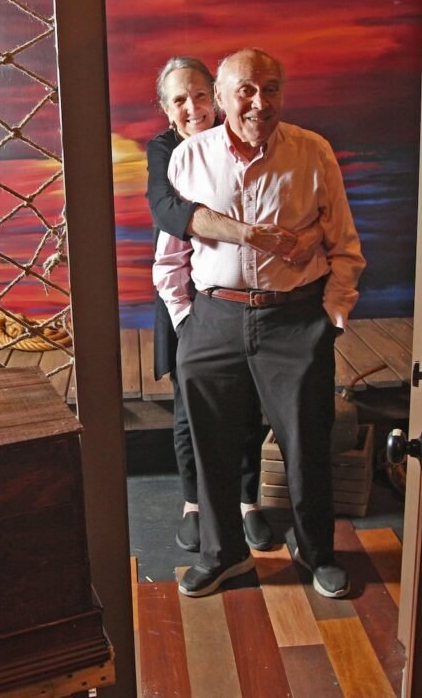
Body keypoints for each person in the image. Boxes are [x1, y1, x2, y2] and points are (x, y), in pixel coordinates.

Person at [154, 48, 366, 599]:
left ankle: (316, 552)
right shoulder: (190, 158)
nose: (259, 101)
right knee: (213, 447)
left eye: (270, 89)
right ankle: (225, 557)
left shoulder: (312, 152)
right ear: (221, 99)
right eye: (245, 90)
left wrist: (330, 318)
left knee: (306, 445)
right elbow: (170, 258)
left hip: (294, 320)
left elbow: (345, 247)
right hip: (212, 318)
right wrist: (189, 320)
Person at [146, 56, 321, 554]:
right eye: (179, 100)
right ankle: (195, 504)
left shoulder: (268, 145)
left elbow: (323, 225)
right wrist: (189, 314)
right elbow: (167, 213)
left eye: (201, 95)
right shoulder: (169, 151)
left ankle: (246, 502)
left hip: (253, 305)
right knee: (191, 407)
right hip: (193, 294)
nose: (192, 107)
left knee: (244, 408)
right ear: (166, 109)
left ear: (218, 98)